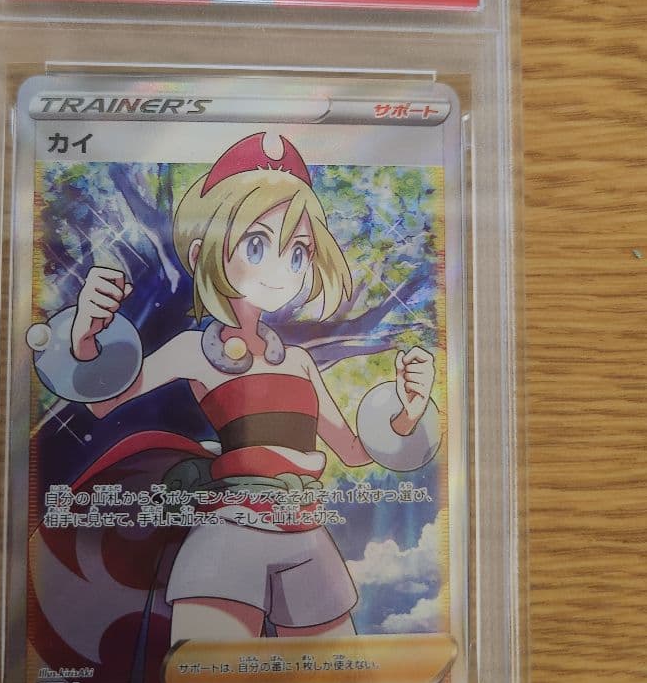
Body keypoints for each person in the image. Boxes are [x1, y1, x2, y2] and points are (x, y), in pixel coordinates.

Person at [61, 131, 439, 645]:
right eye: (257, 245)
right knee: (205, 681)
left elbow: (351, 451)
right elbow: (106, 402)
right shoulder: (196, 350)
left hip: (307, 535)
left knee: (339, 682)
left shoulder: (299, 362)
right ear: (205, 252)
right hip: (231, 534)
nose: (281, 271)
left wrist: (407, 414)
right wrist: (86, 338)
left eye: (299, 252)